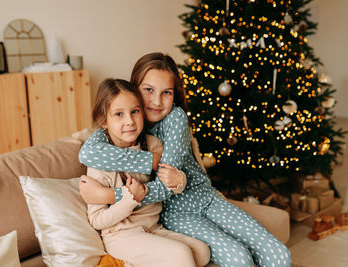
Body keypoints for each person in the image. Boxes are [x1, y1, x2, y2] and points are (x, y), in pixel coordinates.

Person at [79, 53, 292, 267]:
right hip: (174, 214)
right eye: (149, 90)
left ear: (175, 94)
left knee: (279, 255)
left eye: (167, 92)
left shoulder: (175, 118)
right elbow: (87, 154)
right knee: (239, 258)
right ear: (135, 89)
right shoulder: (125, 124)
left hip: (205, 198)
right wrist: (149, 161)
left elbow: (165, 186)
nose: (156, 101)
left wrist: (108, 195)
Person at [81, 78, 210, 267]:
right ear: (104, 121)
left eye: (135, 111)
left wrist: (178, 180)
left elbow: (169, 183)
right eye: (119, 114)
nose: (130, 121)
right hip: (121, 236)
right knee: (180, 254)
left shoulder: (152, 144)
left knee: (202, 251)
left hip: (153, 228)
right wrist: (128, 200)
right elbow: (97, 220)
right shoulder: (99, 162)